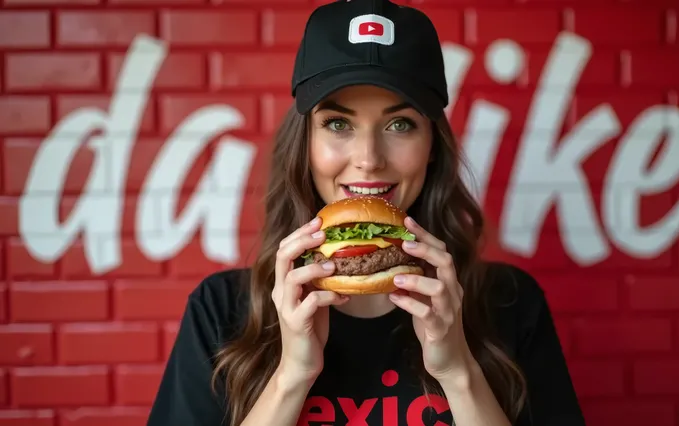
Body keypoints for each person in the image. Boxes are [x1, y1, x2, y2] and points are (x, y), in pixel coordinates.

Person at [146, 0, 586, 425]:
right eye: (338, 123)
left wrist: (457, 371)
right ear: (305, 145)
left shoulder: (509, 302)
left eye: (400, 124)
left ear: (433, 147)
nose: (369, 158)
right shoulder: (223, 310)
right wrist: (291, 377)